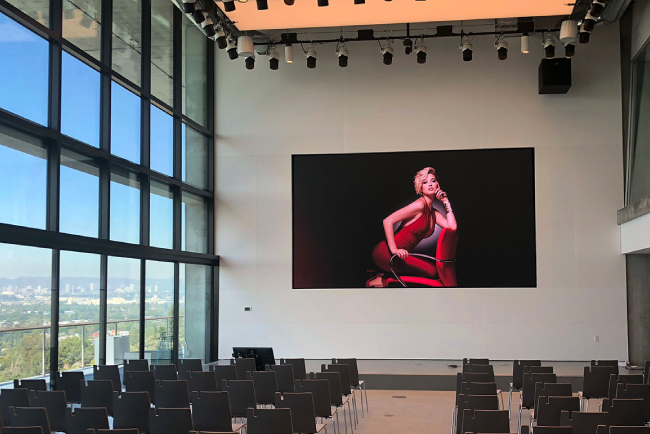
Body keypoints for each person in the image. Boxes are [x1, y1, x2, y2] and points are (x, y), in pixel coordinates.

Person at [367, 167, 457, 287]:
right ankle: (382, 280)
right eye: (425, 182)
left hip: (402, 256)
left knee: (433, 271)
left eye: (433, 181)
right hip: (386, 253)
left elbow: (452, 227)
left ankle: (383, 275)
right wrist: (394, 250)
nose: (430, 184)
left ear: (438, 185)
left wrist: (445, 201)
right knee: (431, 272)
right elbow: (387, 221)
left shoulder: (433, 213)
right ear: (420, 187)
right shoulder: (419, 205)